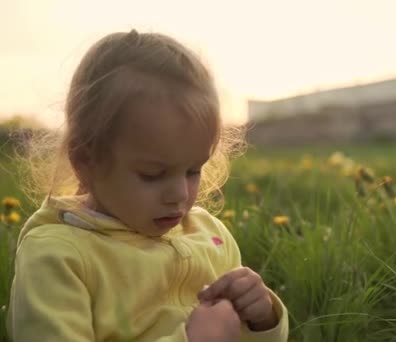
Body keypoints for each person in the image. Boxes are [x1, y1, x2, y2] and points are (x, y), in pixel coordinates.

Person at [8, 29, 288, 342]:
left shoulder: (210, 237)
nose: (180, 195)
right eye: (153, 175)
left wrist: (261, 319)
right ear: (86, 162)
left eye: (193, 171)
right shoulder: (59, 257)